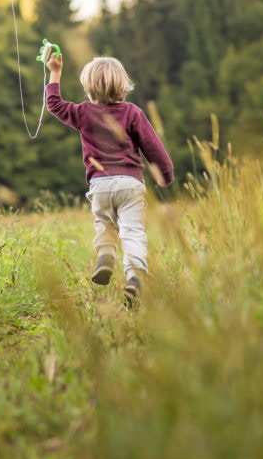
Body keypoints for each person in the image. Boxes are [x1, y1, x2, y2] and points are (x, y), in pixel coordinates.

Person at [45, 52, 175, 307]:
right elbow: (153, 147)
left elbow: (55, 105)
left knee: (104, 224)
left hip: (100, 185)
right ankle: (135, 276)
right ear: (123, 85)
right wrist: (166, 174)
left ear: (88, 88)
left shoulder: (83, 113)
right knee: (132, 231)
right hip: (130, 184)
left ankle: (105, 257)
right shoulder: (133, 113)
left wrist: (55, 72)